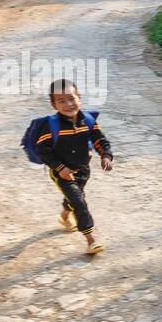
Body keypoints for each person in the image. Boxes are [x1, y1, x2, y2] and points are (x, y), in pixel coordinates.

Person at [34, 79, 113, 256]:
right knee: (79, 201)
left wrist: (106, 155)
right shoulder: (51, 125)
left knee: (76, 198)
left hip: (83, 170)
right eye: (61, 101)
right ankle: (91, 240)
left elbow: (99, 139)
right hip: (62, 173)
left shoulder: (88, 120)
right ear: (53, 104)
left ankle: (64, 215)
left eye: (71, 98)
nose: (68, 104)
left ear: (79, 98)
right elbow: (42, 149)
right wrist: (60, 167)